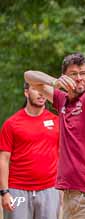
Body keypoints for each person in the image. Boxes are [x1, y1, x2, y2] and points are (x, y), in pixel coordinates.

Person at [24, 52, 85, 219]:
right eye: (73, 74)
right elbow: (29, 76)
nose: (79, 78)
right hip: (70, 193)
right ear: (65, 77)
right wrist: (54, 82)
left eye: (83, 73)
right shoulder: (62, 99)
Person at [0, 82, 60, 219]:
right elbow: (3, 159)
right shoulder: (11, 124)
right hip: (17, 190)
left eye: (43, 89)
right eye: (36, 89)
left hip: (50, 189)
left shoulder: (56, 121)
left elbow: (62, 156)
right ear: (26, 93)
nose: (41, 93)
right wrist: (4, 192)